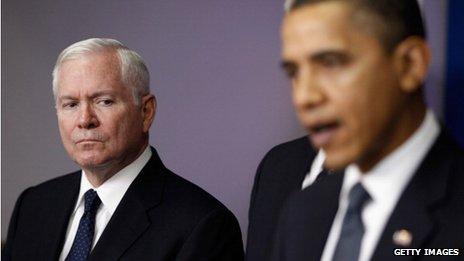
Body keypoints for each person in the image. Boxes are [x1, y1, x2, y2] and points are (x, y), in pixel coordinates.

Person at [3, 38, 244, 261]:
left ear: (146, 112)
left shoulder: (203, 225)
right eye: (71, 104)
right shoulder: (33, 206)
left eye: (104, 101)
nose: (85, 119)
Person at [270, 0, 464, 260]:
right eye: (294, 72)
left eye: (330, 63)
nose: (304, 97)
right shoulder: (301, 211)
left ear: (410, 64)